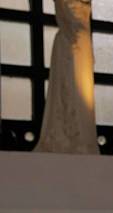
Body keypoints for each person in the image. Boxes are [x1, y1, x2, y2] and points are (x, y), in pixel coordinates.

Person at [35, 0, 98, 154]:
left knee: (84, 92)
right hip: (71, 40)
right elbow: (64, 13)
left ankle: (83, 137)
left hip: (82, 41)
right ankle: (72, 136)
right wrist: (73, 37)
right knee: (70, 86)